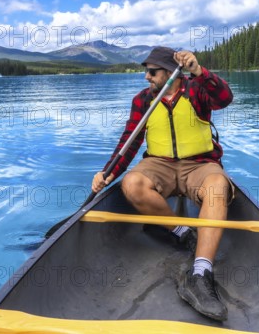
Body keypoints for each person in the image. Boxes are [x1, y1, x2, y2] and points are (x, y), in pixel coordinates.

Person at [92, 46, 234, 321]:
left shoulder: (196, 90)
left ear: (171, 73)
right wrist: (107, 172)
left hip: (200, 164)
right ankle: (183, 232)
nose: (147, 77)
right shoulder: (143, 100)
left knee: (217, 187)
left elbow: (225, 98)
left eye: (152, 72)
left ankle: (201, 273)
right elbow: (129, 142)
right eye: (146, 71)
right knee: (132, 183)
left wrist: (200, 71)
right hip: (160, 164)